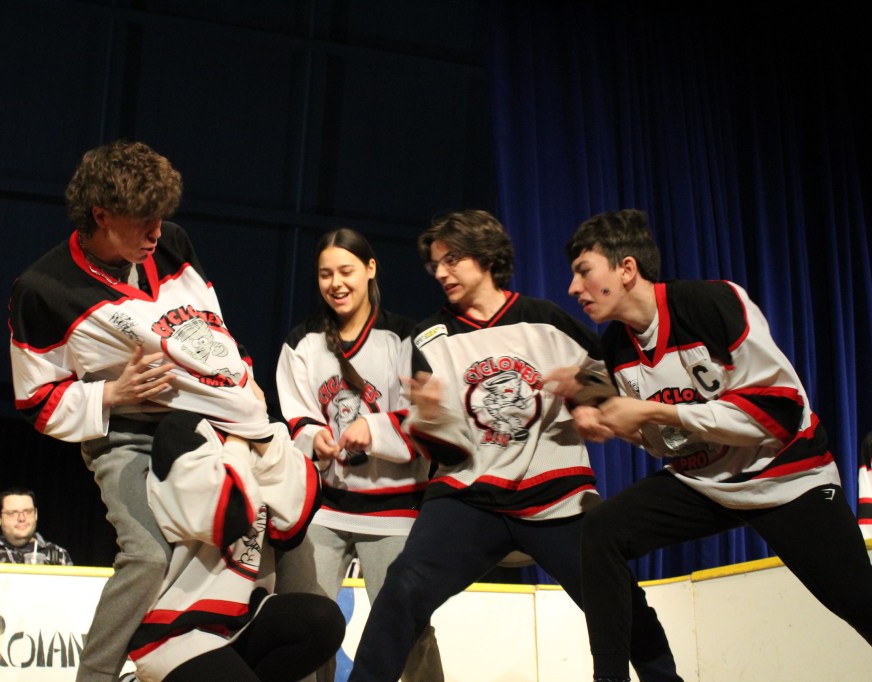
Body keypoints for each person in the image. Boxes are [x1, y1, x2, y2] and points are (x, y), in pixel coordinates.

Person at [347, 210, 679, 682]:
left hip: (557, 496)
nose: (441, 273)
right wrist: (431, 418)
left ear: (486, 257)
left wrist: (585, 397)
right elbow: (438, 448)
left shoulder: (548, 319)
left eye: (452, 260)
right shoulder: (427, 338)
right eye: (436, 265)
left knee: (620, 599)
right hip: (469, 497)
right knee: (403, 587)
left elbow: (611, 383)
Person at [9, 140, 289, 681]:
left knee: (282, 526)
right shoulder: (43, 289)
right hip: (126, 437)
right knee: (148, 557)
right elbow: (35, 400)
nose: (156, 232)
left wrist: (247, 377)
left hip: (209, 428)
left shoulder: (173, 243)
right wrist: (111, 395)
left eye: (160, 218)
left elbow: (212, 329)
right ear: (101, 215)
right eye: (143, 221)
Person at [555, 208, 872, 682]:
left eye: (584, 271)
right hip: (704, 482)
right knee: (601, 531)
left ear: (626, 269)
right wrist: (616, 423)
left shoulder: (711, 302)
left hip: (784, 477)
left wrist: (654, 413)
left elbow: (778, 413)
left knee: (860, 603)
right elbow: (672, 442)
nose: (573, 288)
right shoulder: (617, 346)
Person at [275, 228, 442, 681]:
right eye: (325, 274)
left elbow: (426, 422)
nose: (336, 283)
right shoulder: (302, 342)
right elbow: (296, 416)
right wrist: (315, 438)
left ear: (370, 269)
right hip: (325, 508)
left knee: (407, 627)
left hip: (395, 509)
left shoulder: (404, 338)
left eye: (346, 271)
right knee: (308, 625)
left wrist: (375, 428)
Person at [123, 410, 344, 682]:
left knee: (324, 621)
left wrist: (257, 435)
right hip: (178, 627)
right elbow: (227, 516)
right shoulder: (183, 428)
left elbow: (292, 525)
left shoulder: (269, 431)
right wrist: (240, 439)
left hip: (243, 618)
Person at [0, 486, 73, 565]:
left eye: (28, 511)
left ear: (36, 514)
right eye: (12, 513)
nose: (21, 518)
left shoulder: (59, 555)